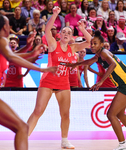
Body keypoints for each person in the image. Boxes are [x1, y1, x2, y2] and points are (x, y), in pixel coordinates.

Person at [0, 15, 57, 150]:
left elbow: (11, 57)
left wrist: (30, 51)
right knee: (22, 127)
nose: (10, 27)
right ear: (4, 27)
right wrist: (41, 69)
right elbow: (11, 56)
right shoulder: (0, 39)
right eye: (9, 25)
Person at [67, 30, 126, 150]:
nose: (92, 46)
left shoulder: (103, 53)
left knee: (111, 114)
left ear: (101, 45)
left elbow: (113, 64)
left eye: (95, 43)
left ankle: (122, 144)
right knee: (119, 113)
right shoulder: (99, 55)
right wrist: (75, 64)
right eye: (91, 43)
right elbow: (89, 61)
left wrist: (101, 81)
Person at [27, 6, 91, 149]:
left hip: (63, 83)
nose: (66, 33)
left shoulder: (73, 48)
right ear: (60, 35)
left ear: (72, 37)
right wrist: (55, 14)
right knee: (38, 111)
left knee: (66, 114)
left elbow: (90, 42)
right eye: (64, 31)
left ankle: (64, 140)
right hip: (48, 81)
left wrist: (82, 28)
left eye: (69, 32)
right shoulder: (53, 44)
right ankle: (23, 138)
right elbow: (47, 30)